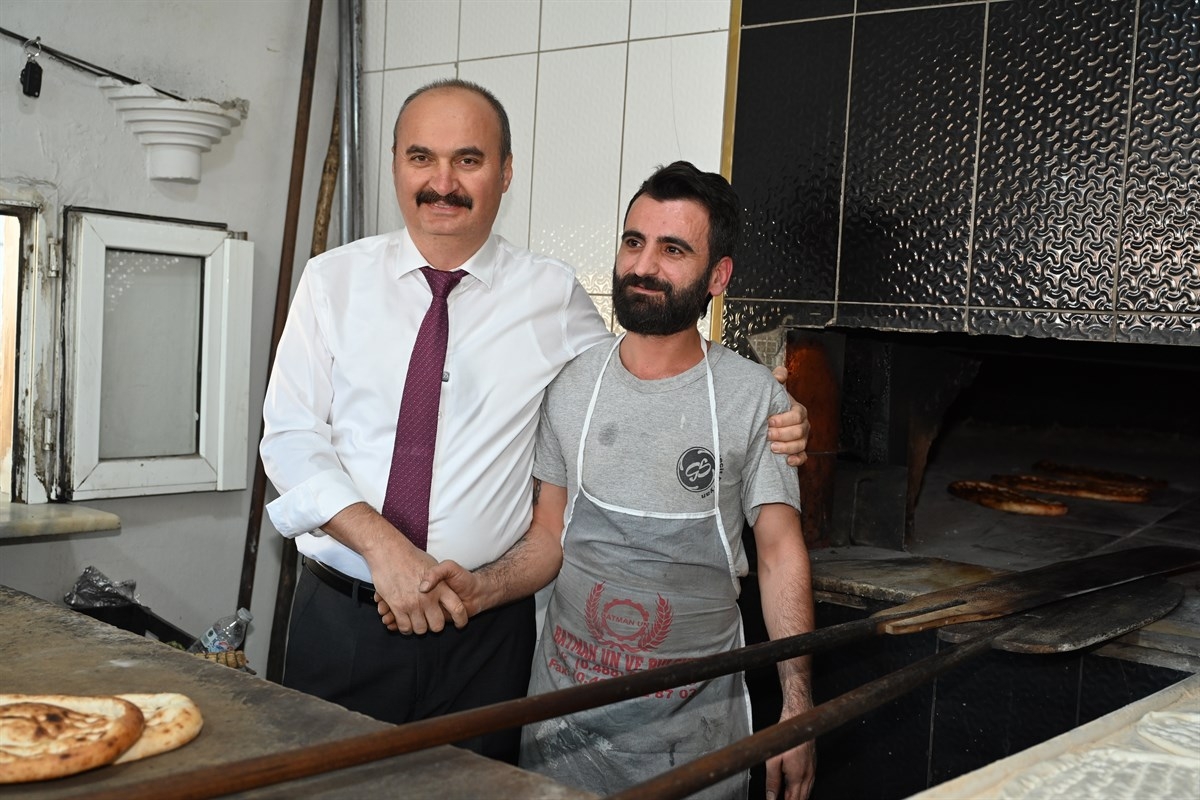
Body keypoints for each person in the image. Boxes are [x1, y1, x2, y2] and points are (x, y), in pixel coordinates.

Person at [260, 79, 810, 764]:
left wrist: (769, 405)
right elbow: (290, 437)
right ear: (395, 163)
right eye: (421, 157)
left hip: (484, 637)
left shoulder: (551, 295)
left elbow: (640, 372)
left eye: (468, 160)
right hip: (343, 622)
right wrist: (383, 549)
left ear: (506, 172)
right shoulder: (330, 282)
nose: (442, 182)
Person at [415, 161, 815, 800]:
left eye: (673, 249)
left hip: (695, 737)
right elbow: (549, 538)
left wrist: (798, 705)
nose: (643, 265)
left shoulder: (753, 399)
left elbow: (779, 554)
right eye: (634, 241)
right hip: (563, 728)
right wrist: (480, 588)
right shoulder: (572, 382)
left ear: (718, 277)